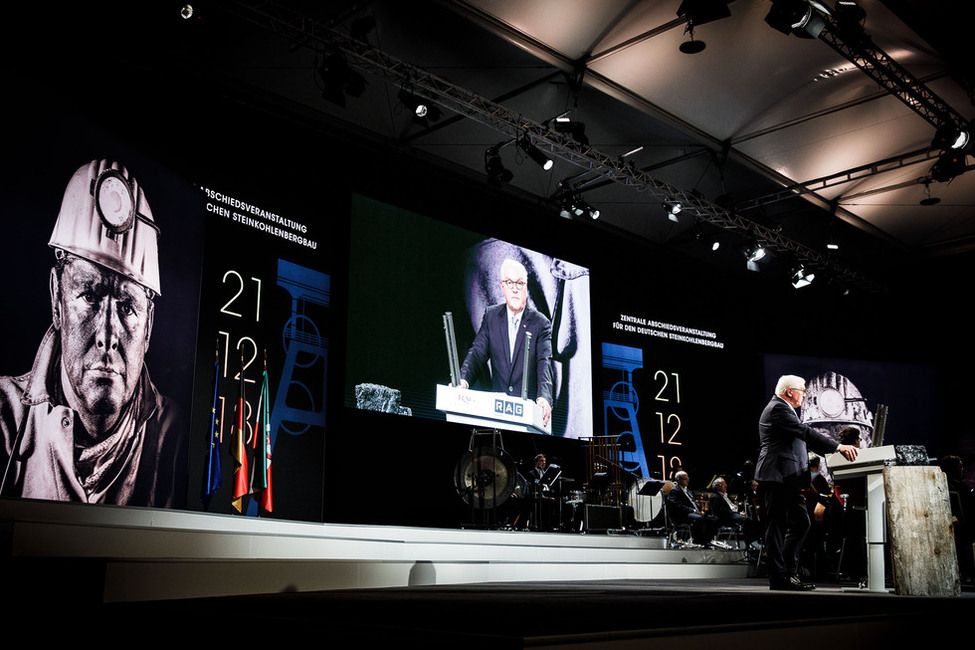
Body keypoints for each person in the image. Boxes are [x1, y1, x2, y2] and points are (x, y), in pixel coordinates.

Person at [0, 160, 183, 507]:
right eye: (89, 296)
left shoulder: (175, 434)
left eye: (128, 307)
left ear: (149, 326)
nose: (108, 335)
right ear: (57, 298)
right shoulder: (4, 418)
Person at [755, 374, 858, 591]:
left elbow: (804, 440)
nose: (804, 394)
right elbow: (805, 433)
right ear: (790, 391)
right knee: (778, 526)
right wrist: (838, 447)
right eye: (802, 390)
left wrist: (836, 452)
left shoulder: (784, 409)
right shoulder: (778, 408)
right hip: (778, 475)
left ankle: (785, 573)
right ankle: (780, 576)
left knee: (800, 523)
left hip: (788, 477)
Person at [460, 258, 553, 427]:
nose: (515, 289)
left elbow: (544, 363)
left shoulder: (541, 323)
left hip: (528, 418)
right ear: (502, 287)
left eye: (520, 283)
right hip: (496, 417)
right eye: (510, 283)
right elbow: (477, 353)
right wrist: (463, 381)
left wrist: (544, 398)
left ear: (526, 288)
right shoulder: (491, 316)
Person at [666, 470, 716, 545]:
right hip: (683, 515)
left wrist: (701, 511)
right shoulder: (674, 491)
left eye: (687, 478)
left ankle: (707, 540)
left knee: (712, 518)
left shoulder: (689, 491)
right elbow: (679, 506)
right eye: (685, 478)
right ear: (678, 479)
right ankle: (699, 541)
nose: (687, 480)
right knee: (700, 519)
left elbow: (694, 503)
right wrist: (694, 511)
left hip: (693, 512)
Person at [708, 476, 757, 545]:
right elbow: (721, 511)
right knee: (746, 520)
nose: (726, 486)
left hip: (733, 514)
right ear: (718, 487)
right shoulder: (715, 497)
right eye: (723, 484)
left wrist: (739, 512)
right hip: (726, 517)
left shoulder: (726, 496)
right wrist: (736, 513)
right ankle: (749, 542)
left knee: (752, 518)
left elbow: (732, 506)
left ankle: (752, 540)